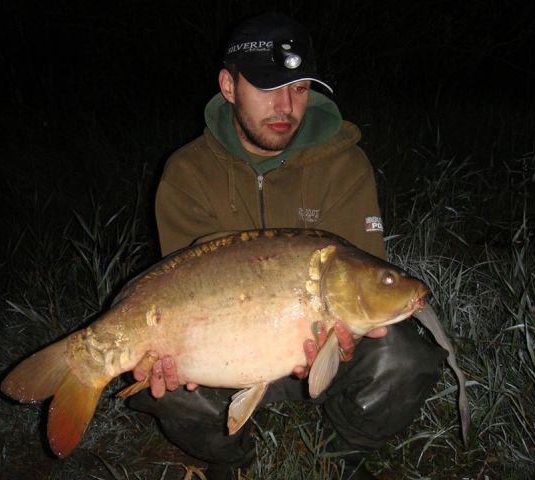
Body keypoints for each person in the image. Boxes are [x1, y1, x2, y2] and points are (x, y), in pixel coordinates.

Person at [128, 12, 446, 480]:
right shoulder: (186, 173)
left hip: (325, 351)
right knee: (160, 384)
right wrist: (168, 351)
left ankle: (342, 454)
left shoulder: (344, 164)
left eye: (298, 89)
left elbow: (360, 268)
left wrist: (352, 332)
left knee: (406, 356)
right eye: (267, 87)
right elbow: (178, 289)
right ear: (229, 86)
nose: (285, 106)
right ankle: (229, 458)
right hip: (223, 356)